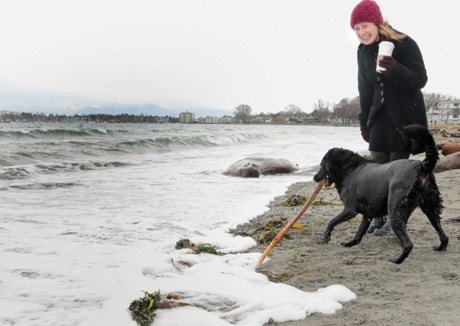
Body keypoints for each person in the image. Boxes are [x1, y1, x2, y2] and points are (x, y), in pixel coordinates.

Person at [350, 0, 429, 235]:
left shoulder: (404, 43)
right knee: (375, 171)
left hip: (404, 118)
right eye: (356, 29)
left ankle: (395, 220)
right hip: (379, 118)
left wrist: (395, 69)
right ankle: (379, 215)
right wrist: (364, 122)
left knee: (396, 174)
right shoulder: (362, 51)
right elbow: (364, 89)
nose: (362, 32)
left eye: (365, 25)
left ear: (377, 21)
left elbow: (420, 80)